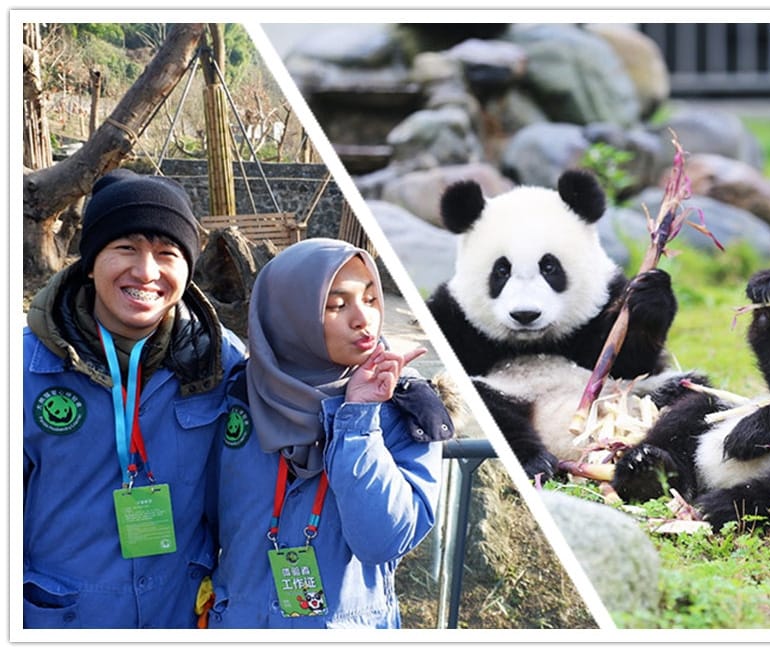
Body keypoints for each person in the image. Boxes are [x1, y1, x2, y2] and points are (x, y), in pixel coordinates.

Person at [22, 170, 245, 628]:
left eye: (167, 253)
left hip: (177, 614)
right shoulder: (25, 367)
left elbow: (297, 399)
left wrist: (383, 393)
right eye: (125, 248)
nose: (146, 271)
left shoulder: (218, 359)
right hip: (60, 618)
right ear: (90, 260)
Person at [207, 239, 450, 628]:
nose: (363, 319)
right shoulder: (240, 399)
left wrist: (357, 420)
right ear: (288, 315)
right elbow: (208, 520)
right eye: (337, 305)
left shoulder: (404, 405)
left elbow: (382, 541)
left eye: (371, 299)